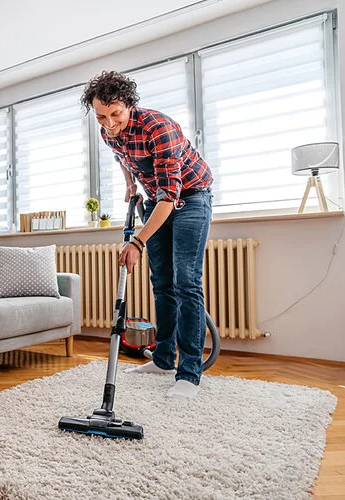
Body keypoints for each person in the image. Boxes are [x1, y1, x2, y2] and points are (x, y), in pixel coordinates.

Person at [81, 71, 214, 399]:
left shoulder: (159, 128)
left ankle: (189, 374)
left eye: (115, 114)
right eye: (101, 116)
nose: (109, 123)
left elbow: (171, 195)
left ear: (129, 105)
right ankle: (164, 359)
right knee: (162, 283)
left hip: (191, 197)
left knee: (186, 282)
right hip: (155, 200)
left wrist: (138, 241)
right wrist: (129, 183)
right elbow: (120, 155)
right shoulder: (107, 131)